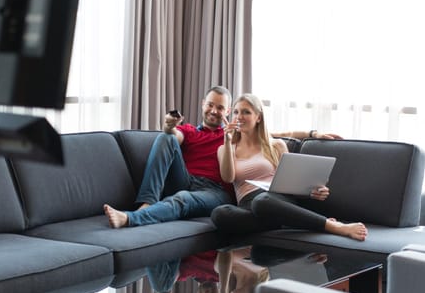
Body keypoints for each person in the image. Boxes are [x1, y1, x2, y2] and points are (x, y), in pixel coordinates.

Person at [104, 86, 341, 229]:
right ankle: (147, 202)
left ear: (227, 112)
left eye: (221, 108)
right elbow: (171, 138)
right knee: (165, 138)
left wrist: (313, 133)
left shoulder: (235, 135)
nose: (214, 111)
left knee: (183, 199)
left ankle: (131, 219)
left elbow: (281, 134)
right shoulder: (188, 132)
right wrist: (168, 127)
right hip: (185, 179)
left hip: (214, 190)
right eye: (210, 105)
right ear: (203, 105)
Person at [210, 93, 368, 241]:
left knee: (262, 201)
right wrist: (228, 141)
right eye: (236, 112)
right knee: (219, 214)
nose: (239, 117)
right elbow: (228, 177)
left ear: (258, 117)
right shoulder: (225, 148)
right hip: (247, 206)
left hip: (275, 199)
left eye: (246, 112)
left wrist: (311, 191)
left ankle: (333, 226)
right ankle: (291, 222)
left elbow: (290, 183)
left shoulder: (276, 145)